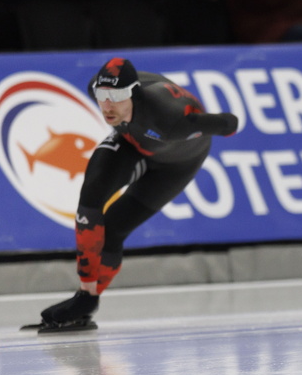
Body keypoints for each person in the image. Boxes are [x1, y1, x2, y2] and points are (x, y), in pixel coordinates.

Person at [22, 58, 239, 333]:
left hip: (175, 166)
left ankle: (90, 298)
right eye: (103, 97)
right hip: (132, 144)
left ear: (134, 94)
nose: (108, 106)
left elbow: (228, 123)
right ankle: (85, 297)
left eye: (117, 96)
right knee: (90, 199)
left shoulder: (169, 119)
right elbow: (111, 92)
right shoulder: (97, 90)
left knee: (114, 229)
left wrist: (225, 124)